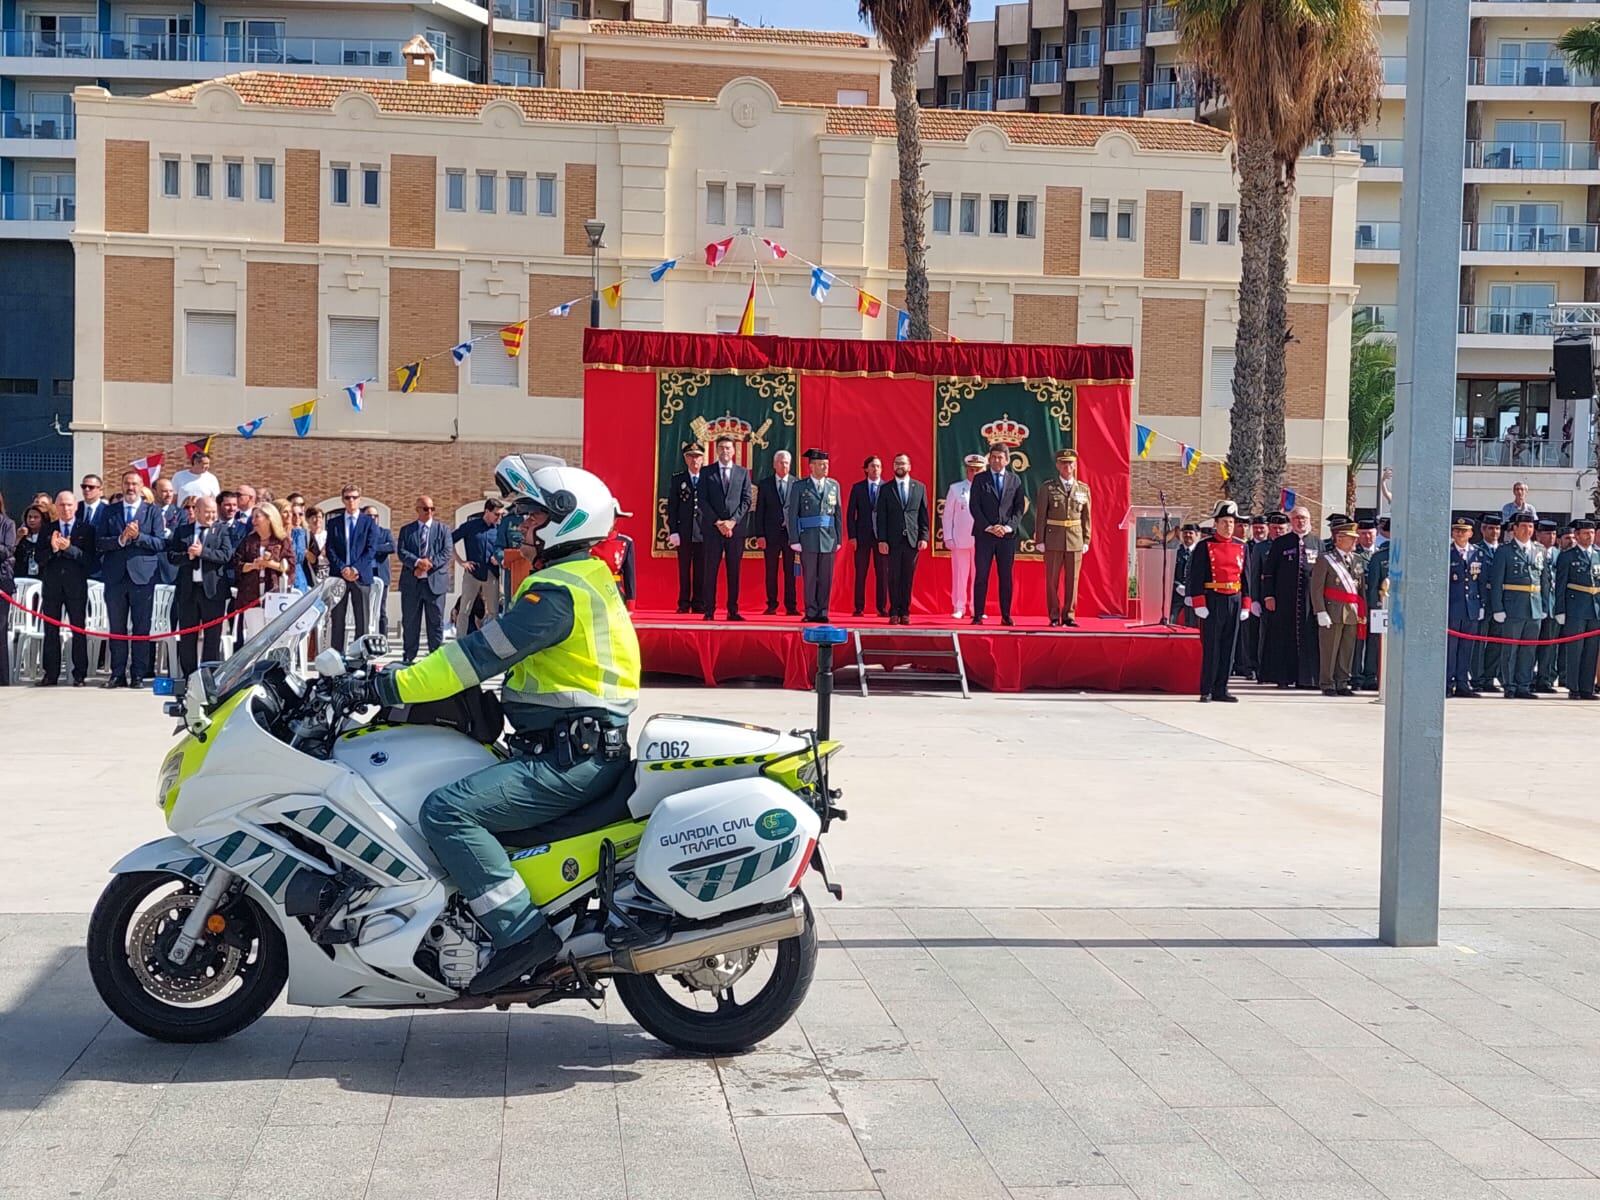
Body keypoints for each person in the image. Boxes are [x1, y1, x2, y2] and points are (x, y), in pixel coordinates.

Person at [367, 458, 639, 997]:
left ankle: (519, 934)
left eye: (532, 513)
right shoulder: (581, 579)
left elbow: (474, 657)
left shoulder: (557, 592)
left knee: (446, 811)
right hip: (572, 747)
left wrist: (389, 686)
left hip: (568, 760)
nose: (520, 522)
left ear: (568, 519)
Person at [96, 467, 165, 687]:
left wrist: (138, 537)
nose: (130, 487)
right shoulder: (110, 511)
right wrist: (121, 539)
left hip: (142, 577)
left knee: (141, 627)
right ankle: (117, 673)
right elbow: (99, 542)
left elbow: (159, 543)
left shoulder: (152, 511)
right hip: (115, 576)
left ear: (141, 486)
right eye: (127, 483)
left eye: (135, 483)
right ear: (122, 485)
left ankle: (138, 674)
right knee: (116, 626)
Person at [1185, 500, 1250, 703]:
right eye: (1224, 522)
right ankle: (1207, 689)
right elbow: (1195, 576)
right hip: (1213, 599)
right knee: (1212, 646)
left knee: (1229, 647)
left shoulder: (1242, 547)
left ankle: (1222, 688)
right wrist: (1199, 602)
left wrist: (1246, 603)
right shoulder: (1205, 546)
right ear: (1216, 523)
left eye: (1231, 522)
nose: (1228, 526)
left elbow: (1246, 577)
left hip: (1234, 598)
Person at [167, 496, 234, 676]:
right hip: (188, 590)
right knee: (188, 635)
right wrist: (187, 556)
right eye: (207, 512)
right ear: (196, 512)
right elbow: (172, 556)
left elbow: (226, 555)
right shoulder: (183, 531)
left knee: (212, 636)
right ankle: (188, 675)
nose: (211, 516)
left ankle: (208, 674)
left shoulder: (222, 530)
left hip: (213, 592)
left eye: (213, 512)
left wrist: (202, 552)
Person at [38, 491, 95, 686]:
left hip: (76, 586)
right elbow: (39, 559)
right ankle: (50, 674)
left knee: (78, 630)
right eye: (61, 505)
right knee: (50, 630)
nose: (66, 508)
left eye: (69, 505)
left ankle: (79, 674)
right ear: (56, 506)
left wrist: (69, 548)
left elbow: (90, 561)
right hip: (52, 587)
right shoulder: (48, 529)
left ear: (76, 506)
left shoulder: (86, 529)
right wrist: (53, 549)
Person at [1489, 509, 1546, 699]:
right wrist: (1498, 608)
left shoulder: (1539, 550)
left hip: (1534, 607)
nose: (1528, 530)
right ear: (1514, 528)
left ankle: (1524, 685)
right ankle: (1510, 685)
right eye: (1524, 526)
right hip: (1513, 607)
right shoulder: (1504, 551)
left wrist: (1545, 606)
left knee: (1529, 649)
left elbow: (1544, 581)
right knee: (1510, 649)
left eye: (1531, 526)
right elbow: (1497, 581)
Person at [1259, 506, 1319, 688]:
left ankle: (1306, 679)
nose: (1300, 522)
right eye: (1297, 518)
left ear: (1309, 520)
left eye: (1304, 518)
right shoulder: (1281, 542)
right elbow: (1268, 573)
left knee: (1309, 638)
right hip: (1284, 599)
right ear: (1291, 521)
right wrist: (1269, 596)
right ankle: (1283, 677)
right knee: (1283, 637)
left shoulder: (1318, 543)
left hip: (1309, 601)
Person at [1310, 516, 1367, 696]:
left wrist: (1362, 610)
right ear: (1339, 538)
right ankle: (1327, 683)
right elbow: (1316, 588)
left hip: (1351, 611)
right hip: (1332, 610)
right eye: (1351, 537)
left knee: (1346, 649)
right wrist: (1320, 610)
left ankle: (1342, 682)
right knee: (1329, 649)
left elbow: (1360, 588)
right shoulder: (1325, 559)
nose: (1355, 541)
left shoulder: (1357, 560)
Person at [970, 443, 1026, 626]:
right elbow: (974, 507)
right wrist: (988, 526)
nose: (996, 460)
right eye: (993, 457)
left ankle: (1006, 615)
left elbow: (1019, 509)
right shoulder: (980, 479)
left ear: (1007, 460)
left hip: (1006, 537)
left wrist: (1007, 527)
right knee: (982, 575)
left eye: (1000, 457)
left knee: (1005, 577)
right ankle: (978, 614)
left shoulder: (1015, 480)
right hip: (985, 535)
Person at [698, 434, 752, 622]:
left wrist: (732, 521)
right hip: (713, 529)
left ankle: (733, 610)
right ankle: (709, 610)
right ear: (716, 450)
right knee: (710, 570)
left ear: (734, 451)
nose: (725, 451)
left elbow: (746, 500)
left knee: (734, 571)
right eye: (721, 447)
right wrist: (719, 522)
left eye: (728, 448)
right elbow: (702, 500)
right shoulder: (706, 472)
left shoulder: (742, 472)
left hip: (735, 531)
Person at [1034, 448, 1091, 626]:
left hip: (1075, 539)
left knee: (1072, 581)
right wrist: (1040, 540)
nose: (1067, 466)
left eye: (1070, 463)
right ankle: (1053, 615)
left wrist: (1086, 539)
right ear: (1058, 465)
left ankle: (1069, 615)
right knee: (1052, 580)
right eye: (1064, 463)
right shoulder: (1048, 488)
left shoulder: (1083, 488)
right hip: (1053, 539)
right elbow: (1041, 515)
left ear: (1075, 465)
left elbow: (1086, 517)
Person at [786, 448, 843, 623]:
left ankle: (823, 611)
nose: (825, 467)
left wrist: (839, 539)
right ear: (811, 466)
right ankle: (810, 611)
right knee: (810, 577)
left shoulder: (833, 485)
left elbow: (838, 513)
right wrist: (794, 539)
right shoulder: (799, 486)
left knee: (825, 577)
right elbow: (792, 514)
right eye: (821, 464)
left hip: (828, 537)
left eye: (826, 464)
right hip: (808, 538)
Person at [875, 453, 929, 625]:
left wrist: (924, 536)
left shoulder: (919, 487)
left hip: (912, 540)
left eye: (903, 463)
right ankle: (894, 611)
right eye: (897, 463)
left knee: (908, 576)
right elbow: (880, 516)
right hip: (892, 541)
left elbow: (923, 515)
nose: (900, 466)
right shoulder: (886, 488)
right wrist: (881, 540)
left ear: (909, 466)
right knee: (893, 576)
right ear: (893, 467)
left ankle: (905, 611)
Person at [398, 495, 452, 666]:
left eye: (432, 509)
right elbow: (401, 551)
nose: (429, 512)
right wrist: (416, 562)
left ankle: (435, 659)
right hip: (412, 584)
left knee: (435, 622)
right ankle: (408, 657)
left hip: (435, 583)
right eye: (425, 509)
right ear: (417, 510)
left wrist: (429, 564)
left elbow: (446, 551)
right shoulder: (407, 530)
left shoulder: (443, 529)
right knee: (410, 622)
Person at [325, 484, 378, 650]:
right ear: (343, 500)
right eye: (347, 497)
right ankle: (337, 657)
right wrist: (343, 568)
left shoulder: (369, 522)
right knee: (338, 620)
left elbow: (371, 549)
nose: (351, 501)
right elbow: (330, 549)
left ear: (360, 499)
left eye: (354, 497)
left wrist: (355, 569)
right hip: (339, 576)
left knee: (362, 620)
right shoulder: (334, 523)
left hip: (360, 578)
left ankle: (360, 659)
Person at [233, 503, 296, 641]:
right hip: (251, 595)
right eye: (252, 517)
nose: (253, 521)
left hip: (274, 594)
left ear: (269, 518)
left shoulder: (282, 540)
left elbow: (290, 567)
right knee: (254, 636)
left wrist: (269, 564)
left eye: (257, 517)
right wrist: (252, 566)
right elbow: (237, 564)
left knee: (273, 637)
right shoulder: (248, 541)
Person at [1554, 518, 1600, 701]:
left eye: (1591, 533)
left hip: (1595, 609)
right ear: (1577, 535)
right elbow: (1561, 586)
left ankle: (1587, 688)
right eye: (1585, 533)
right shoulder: (1568, 556)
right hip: (1575, 608)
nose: (1589, 536)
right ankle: (1574, 687)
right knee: (1575, 649)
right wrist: (1560, 610)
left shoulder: (1598, 555)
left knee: (1591, 650)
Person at [755, 450, 799, 616]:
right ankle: (772, 604)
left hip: (790, 536)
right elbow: (760, 512)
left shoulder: (796, 483)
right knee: (771, 571)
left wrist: (798, 535)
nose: (784, 465)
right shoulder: (765, 484)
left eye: (787, 462)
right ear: (774, 464)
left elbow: (799, 511)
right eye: (781, 462)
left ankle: (791, 606)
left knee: (790, 572)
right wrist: (760, 535)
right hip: (771, 535)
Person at [453, 498, 505, 635]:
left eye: (501, 515)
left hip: (492, 574)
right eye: (496, 514)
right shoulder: (470, 526)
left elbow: (508, 546)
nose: (499, 517)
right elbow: (448, 541)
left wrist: (499, 557)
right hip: (472, 573)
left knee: (493, 611)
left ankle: (491, 643)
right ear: (487, 511)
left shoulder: (500, 529)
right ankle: (460, 643)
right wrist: (461, 562)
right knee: (464, 610)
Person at [665, 442, 706, 614]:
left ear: (703, 459)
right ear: (685, 458)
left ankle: (699, 603)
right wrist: (673, 531)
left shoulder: (708, 478)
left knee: (701, 570)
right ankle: (683, 603)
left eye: (697, 456)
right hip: (684, 532)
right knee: (684, 570)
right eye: (690, 456)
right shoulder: (678, 479)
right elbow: (672, 507)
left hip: (703, 532)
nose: (694, 460)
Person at [846, 456, 889, 618]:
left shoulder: (887, 487)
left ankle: (882, 607)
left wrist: (888, 538)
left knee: (882, 573)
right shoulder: (858, 488)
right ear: (866, 469)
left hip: (881, 537)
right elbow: (851, 514)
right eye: (872, 466)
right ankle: (859, 607)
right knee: (861, 572)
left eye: (878, 466)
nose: (876, 469)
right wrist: (852, 536)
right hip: (862, 536)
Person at [943, 454, 983, 620]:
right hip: (960, 537)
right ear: (966, 471)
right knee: (960, 573)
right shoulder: (956, 488)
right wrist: (948, 536)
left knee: (979, 574)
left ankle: (976, 607)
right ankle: (959, 606)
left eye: (977, 470)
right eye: (971, 470)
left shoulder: (987, 488)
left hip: (981, 539)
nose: (974, 473)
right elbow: (947, 514)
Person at [1448, 517, 1484, 698]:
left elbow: (1483, 582)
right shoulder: (1447, 553)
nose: (1460, 534)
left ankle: (1463, 683)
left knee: (1466, 648)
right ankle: (1447, 683)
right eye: (1457, 530)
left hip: (1471, 607)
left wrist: (1482, 605)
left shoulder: (1477, 553)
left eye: (1464, 531)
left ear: (1471, 533)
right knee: (1450, 648)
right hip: (1452, 607)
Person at [1472, 513, 1505, 693]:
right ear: (1483, 529)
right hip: (1482, 601)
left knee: (1496, 642)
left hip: (1499, 603)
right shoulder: (1476, 550)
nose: (1495, 532)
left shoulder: (1504, 550)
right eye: (1491, 528)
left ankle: (1489, 678)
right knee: (1478, 642)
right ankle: (1476, 678)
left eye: (1497, 528)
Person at [1358, 531, 1390, 691]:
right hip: (1381, 606)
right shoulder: (1380, 557)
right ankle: (1371, 676)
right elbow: (1373, 585)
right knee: (1375, 643)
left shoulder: (1411, 554)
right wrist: (1373, 608)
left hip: (1402, 608)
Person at [1533, 518, 1562, 693]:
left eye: (1553, 533)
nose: (1551, 537)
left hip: (1553, 607)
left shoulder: (1560, 554)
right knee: (1530, 646)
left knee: (1550, 646)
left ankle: (1544, 679)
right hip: (1535, 605)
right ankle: (1526, 678)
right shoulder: (1534, 551)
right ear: (1538, 534)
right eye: (1546, 533)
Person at [366, 505, 396, 637]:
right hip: (365, 575)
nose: (372, 518)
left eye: (375, 516)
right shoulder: (360, 534)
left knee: (381, 609)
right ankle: (365, 637)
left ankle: (383, 639)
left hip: (381, 575)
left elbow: (391, 547)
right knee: (365, 608)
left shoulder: (385, 532)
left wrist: (372, 548)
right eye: (369, 516)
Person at [152, 478, 181, 587]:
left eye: (171, 491)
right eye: (164, 491)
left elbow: (182, 540)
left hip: (170, 569)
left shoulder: (180, 514)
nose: (169, 494)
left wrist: (165, 531)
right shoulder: (145, 511)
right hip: (146, 568)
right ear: (154, 492)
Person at [1171, 523, 1200, 626]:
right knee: (1171, 622)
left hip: (1194, 594)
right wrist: (1177, 586)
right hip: (1176, 595)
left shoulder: (1200, 553)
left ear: (1197, 535)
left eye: (1190, 533)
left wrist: (1192, 589)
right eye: (1185, 533)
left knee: (1193, 625)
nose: (1187, 535)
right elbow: (1169, 572)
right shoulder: (1175, 551)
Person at [79, 474, 105, 580]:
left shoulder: (108, 511)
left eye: (91, 487)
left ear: (100, 490)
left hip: (99, 567)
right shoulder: (75, 508)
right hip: (77, 566)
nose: (87, 489)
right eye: (84, 486)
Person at [13, 504, 45, 582]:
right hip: (22, 577)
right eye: (29, 517)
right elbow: (12, 553)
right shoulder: (22, 536)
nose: (32, 520)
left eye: (36, 517)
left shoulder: (47, 537)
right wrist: (18, 538)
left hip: (41, 578)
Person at [0, 494, 13, 688]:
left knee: (0, 631)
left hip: (2, 582)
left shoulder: (7, 524)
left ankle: (2, 678)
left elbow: (8, 550)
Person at [286, 498, 311, 591]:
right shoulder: (283, 532)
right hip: (285, 573)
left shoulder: (303, 533)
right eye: (293, 514)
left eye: (300, 514)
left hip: (299, 574)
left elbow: (299, 557)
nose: (297, 517)